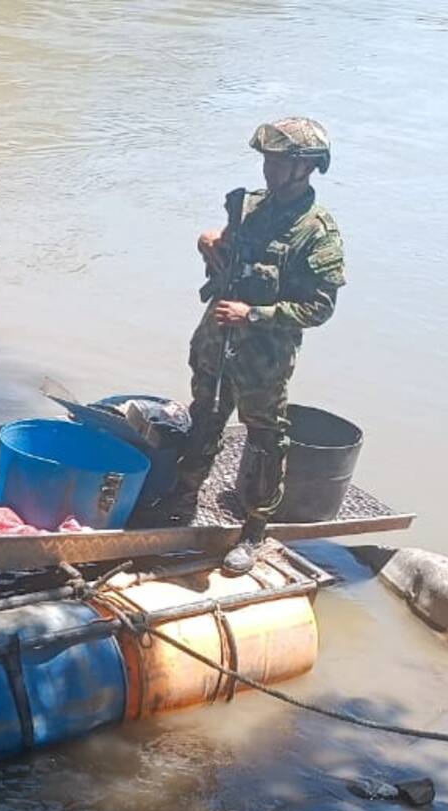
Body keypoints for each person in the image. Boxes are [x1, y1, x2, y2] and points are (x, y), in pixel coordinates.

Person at [172, 117, 346, 576]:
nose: (269, 169)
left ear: (305, 168)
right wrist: (206, 242)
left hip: (262, 359)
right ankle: (182, 500)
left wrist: (253, 314)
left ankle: (253, 529)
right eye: (267, 160)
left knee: (266, 438)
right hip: (215, 344)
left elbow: (320, 308)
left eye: (280, 162)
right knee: (203, 419)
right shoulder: (246, 208)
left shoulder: (317, 233)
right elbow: (224, 247)